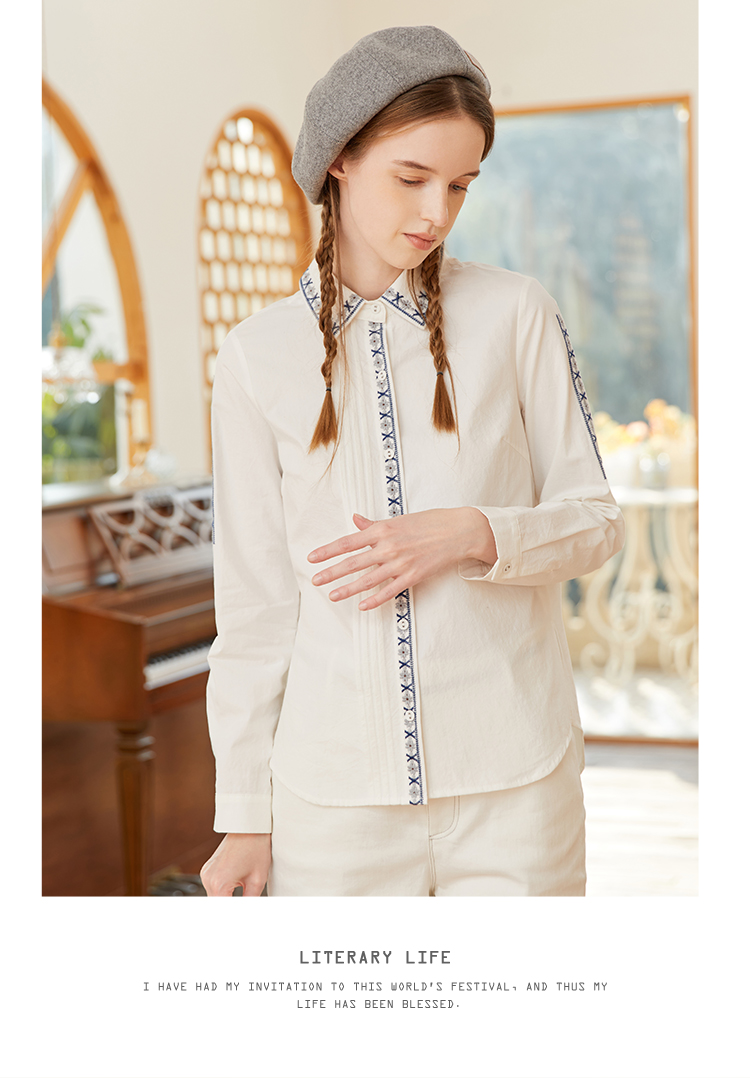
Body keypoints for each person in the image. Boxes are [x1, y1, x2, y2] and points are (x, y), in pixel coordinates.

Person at [199, 24, 625, 898]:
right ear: (340, 159)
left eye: (460, 185)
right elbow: (254, 605)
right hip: (331, 804)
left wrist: (471, 533)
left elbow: (596, 522)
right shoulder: (254, 357)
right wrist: (244, 815)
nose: (437, 212)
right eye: (412, 177)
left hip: (516, 786)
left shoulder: (517, 314)